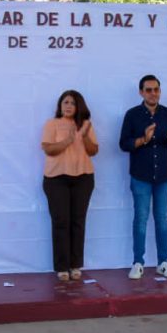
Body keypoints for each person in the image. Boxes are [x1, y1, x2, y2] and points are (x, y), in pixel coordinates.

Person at [119, 75, 167, 279]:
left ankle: (163, 262)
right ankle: (138, 262)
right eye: (148, 90)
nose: (153, 93)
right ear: (141, 92)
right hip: (141, 175)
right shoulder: (132, 115)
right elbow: (123, 144)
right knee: (140, 219)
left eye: (156, 89)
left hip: (164, 175)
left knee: (162, 219)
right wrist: (143, 139)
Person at [41, 90, 99, 281]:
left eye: (72, 103)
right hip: (56, 179)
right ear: (60, 105)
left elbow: (93, 151)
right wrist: (68, 140)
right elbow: (49, 149)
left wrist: (83, 136)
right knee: (61, 222)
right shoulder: (52, 124)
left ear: (78, 106)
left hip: (83, 178)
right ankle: (62, 267)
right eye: (64, 102)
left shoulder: (86, 125)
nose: (68, 106)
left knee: (78, 221)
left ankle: (75, 265)